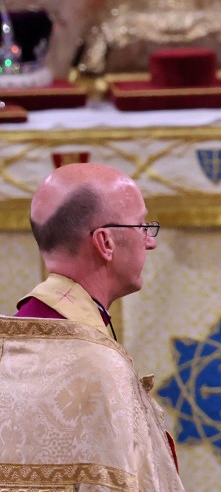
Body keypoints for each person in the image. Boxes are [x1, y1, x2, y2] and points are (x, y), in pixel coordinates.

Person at [0, 162, 184, 491]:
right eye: (142, 226)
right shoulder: (98, 367)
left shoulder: (11, 343)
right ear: (105, 243)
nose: (150, 242)